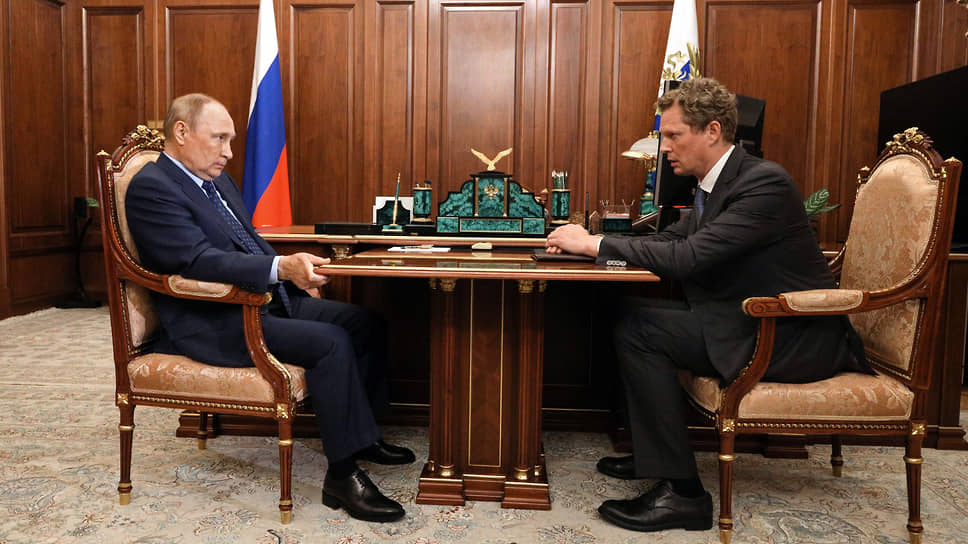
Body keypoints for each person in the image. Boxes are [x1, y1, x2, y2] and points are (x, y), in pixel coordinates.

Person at [546, 77, 869, 533]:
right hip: (749, 321)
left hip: (790, 336)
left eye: (673, 135)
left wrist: (592, 243)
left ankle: (684, 496)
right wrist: (591, 241)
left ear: (712, 131)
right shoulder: (715, 185)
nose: (664, 148)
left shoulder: (763, 183)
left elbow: (689, 257)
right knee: (624, 311)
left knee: (641, 330)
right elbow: (672, 239)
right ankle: (654, 456)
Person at [125, 93, 414, 523]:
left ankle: (363, 436)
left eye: (231, 140)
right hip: (213, 320)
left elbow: (248, 241)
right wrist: (281, 268)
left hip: (262, 302)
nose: (229, 152)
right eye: (219, 138)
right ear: (181, 132)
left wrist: (291, 274)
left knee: (364, 322)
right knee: (331, 342)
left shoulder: (218, 181)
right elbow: (198, 261)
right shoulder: (152, 187)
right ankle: (341, 475)